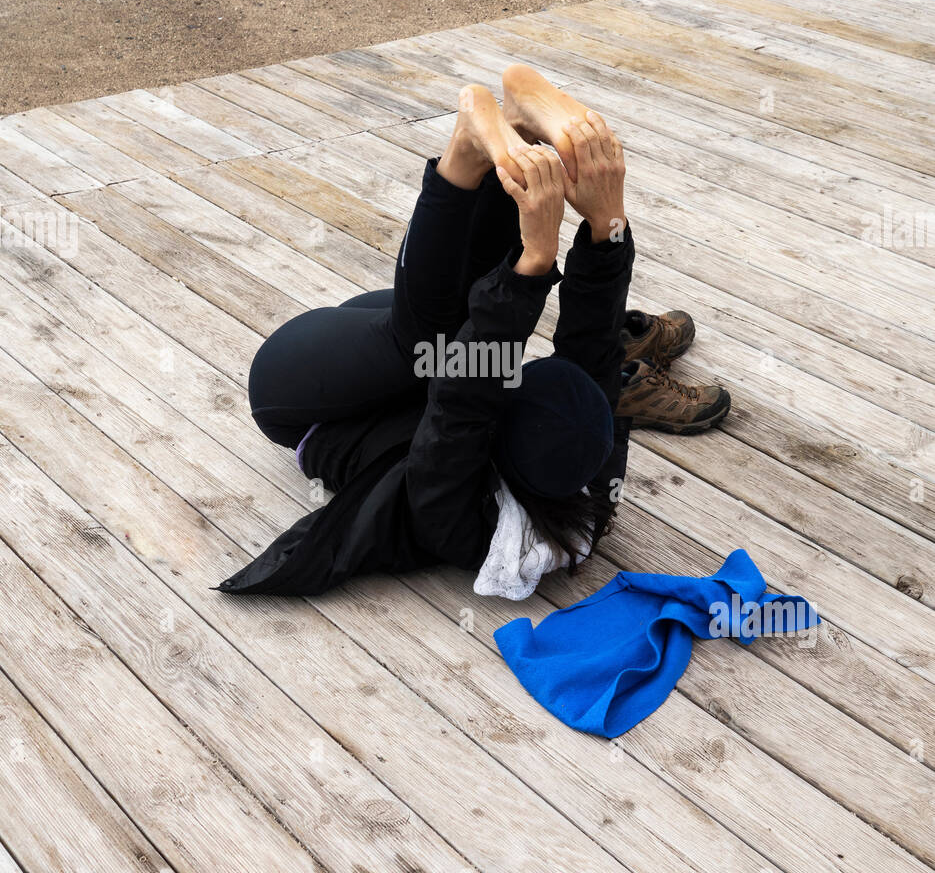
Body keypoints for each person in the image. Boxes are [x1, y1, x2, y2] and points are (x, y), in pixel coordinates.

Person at [217, 66, 730, 602]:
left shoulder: (459, 522)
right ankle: (516, 131)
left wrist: (536, 261)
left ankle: (465, 150)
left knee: (435, 342)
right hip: (388, 365)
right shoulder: (584, 472)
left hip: (302, 401)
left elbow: (464, 393)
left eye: (515, 385)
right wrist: (609, 227)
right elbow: (593, 351)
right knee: (464, 334)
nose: (514, 376)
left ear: (500, 436)